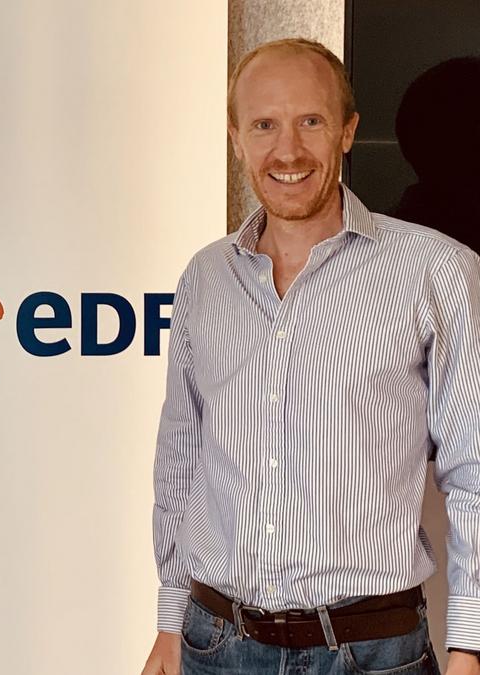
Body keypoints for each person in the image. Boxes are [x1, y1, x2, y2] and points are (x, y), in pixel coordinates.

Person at [140, 38, 480, 675]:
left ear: (347, 132)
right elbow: (181, 456)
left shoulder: (437, 269)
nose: (288, 151)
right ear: (236, 139)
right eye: (264, 125)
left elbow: (473, 469)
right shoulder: (205, 277)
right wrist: (169, 618)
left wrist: (469, 642)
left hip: (373, 652)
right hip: (215, 645)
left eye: (311, 121)